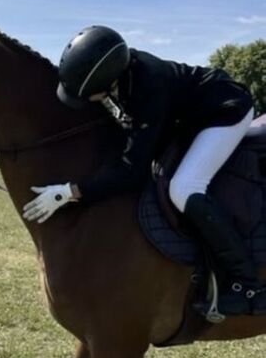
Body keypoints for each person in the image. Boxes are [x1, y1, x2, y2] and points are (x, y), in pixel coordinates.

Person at [22, 25, 266, 316]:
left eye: (89, 94)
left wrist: (71, 192)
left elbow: (131, 172)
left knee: (184, 188)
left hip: (226, 112)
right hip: (189, 117)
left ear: (106, 82)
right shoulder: (120, 75)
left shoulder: (149, 86)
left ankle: (247, 283)